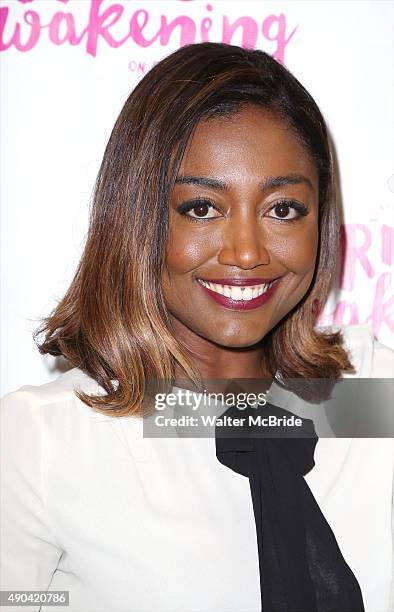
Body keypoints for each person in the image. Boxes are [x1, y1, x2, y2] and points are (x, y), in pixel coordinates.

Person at [1, 43, 393, 612]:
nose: (247, 253)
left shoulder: (373, 396)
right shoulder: (44, 444)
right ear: (137, 218)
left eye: (282, 209)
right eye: (201, 208)